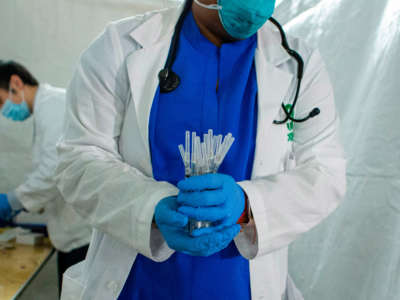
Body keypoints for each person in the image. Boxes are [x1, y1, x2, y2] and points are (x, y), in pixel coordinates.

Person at [55, 0, 346, 299]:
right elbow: (78, 160)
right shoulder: (119, 47)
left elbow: (326, 175)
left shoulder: (300, 64)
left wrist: (246, 205)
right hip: (136, 286)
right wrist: (149, 208)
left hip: (241, 288)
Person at [0, 60, 92, 293]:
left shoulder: (55, 105)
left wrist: (14, 200)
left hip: (82, 235)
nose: (3, 110)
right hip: (71, 233)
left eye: (0, 101)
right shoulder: (45, 109)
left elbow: (53, 171)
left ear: (16, 83)